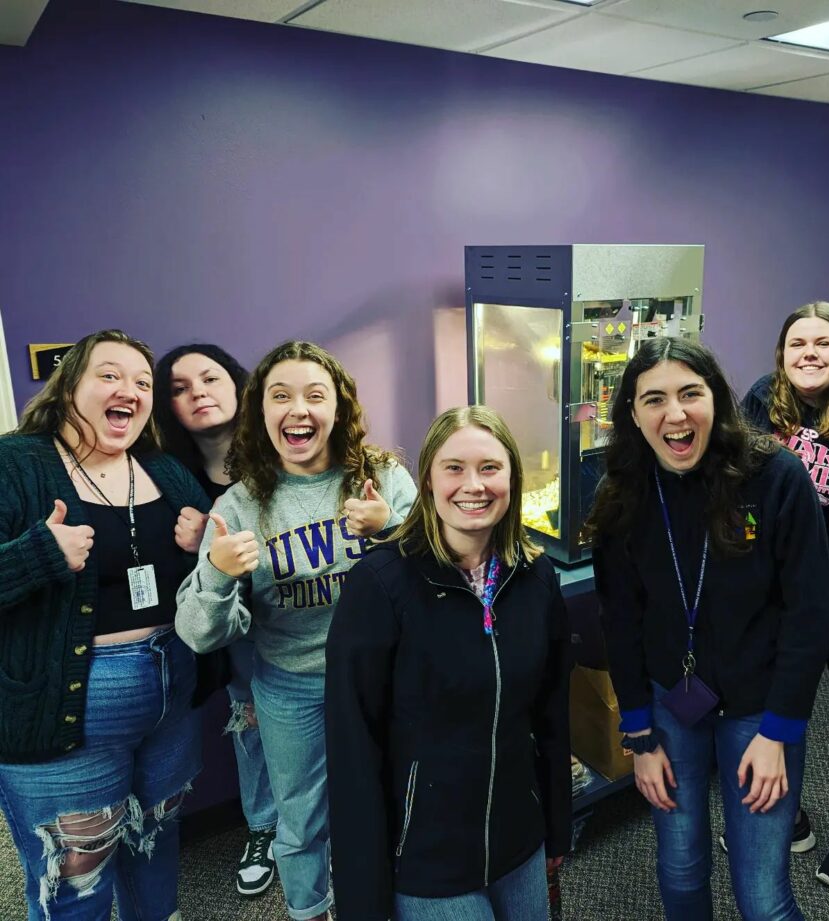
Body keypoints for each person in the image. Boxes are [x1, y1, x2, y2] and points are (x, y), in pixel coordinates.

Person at [588, 337, 829, 921]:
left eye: (690, 394)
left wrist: (779, 733)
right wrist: (640, 735)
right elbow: (619, 621)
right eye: (654, 399)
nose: (675, 414)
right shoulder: (621, 492)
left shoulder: (775, 477)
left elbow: (810, 613)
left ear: (716, 402)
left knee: (763, 894)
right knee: (679, 867)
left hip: (760, 712)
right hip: (671, 705)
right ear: (631, 414)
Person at [175, 340, 417, 921]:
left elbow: (440, 575)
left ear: (340, 408)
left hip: (381, 677)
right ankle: (310, 910)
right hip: (289, 687)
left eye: (316, 395)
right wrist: (216, 573)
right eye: (281, 396)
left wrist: (393, 530)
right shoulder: (239, 505)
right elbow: (199, 634)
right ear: (261, 411)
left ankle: (399, 902)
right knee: (302, 816)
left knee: (395, 797)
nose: (299, 410)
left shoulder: (381, 478)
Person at [325, 405, 571, 921]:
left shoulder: (535, 576)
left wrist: (556, 826)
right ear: (429, 480)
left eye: (490, 468)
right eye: (454, 468)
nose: (473, 485)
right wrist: (363, 897)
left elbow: (551, 716)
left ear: (512, 478)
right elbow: (352, 749)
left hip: (518, 839)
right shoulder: (381, 585)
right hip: (427, 857)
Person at [0, 329, 210, 920]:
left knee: (155, 840)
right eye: (110, 375)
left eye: (143, 382)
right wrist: (38, 552)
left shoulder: (164, 470)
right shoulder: (15, 462)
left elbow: (216, 575)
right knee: (77, 879)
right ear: (69, 386)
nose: (131, 391)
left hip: (174, 684)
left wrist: (204, 544)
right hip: (70, 704)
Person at [741, 301, 829, 889]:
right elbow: (738, 486)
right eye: (798, 343)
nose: (809, 355)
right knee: (777, 702)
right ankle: (786, 809)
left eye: (824, 343)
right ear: (782, 353)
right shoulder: (760, 401)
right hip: (778, 593)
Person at [154, 343, 280, 898]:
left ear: (237, 385)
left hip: (301, 616)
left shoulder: (282, 448)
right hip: (233, 631)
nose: (197, 392)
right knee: (251, 724)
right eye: (179, 388)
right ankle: (263, 828)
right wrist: (190, 549)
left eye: (209, 378)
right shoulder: (168, 474)